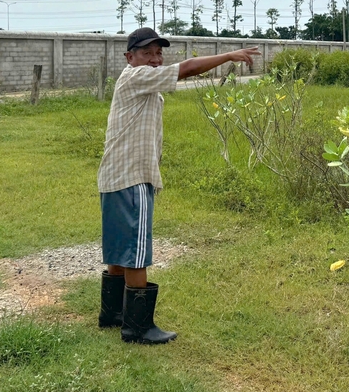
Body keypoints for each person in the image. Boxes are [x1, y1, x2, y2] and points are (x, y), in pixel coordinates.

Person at [97, 27, 260, 344]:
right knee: (135, 251)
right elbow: (184, 70)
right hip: (132, 176)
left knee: (119, 247)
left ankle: (113, 314)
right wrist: (228, 55)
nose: (155, 59)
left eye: (159, 53)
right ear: (130, 57)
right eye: (147, 53)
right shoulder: (136, 77)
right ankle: (138, 327)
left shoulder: (138, 82)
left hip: (114, 175)